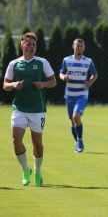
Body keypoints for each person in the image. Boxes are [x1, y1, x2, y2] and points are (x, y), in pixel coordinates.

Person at [3, 32, 57, 186]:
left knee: (37, 143)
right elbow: (5, 85)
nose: (32, 47)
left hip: (37, 109)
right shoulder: (14, 64)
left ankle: (38, 172)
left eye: (34, 44)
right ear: (22, 45)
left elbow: (53, 81)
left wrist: (43, 84)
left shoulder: (42, 62)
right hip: (19, 108)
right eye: (29, 44)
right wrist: (14, 85)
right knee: (16, 140)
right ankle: (26, 170)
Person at [59, 38, 98, 152]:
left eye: (81, 45)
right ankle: (78, 143)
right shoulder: (66, 60)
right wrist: (64, 77)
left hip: (82, 94)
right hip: (69, 94)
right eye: (77, 45)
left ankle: (80, 142)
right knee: (72, 120)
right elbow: (61, 73)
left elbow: (95, 75)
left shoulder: (88, 61)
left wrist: (89, 82)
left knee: (76, 117)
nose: (79, 47)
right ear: (73, 46)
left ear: (84, 47)